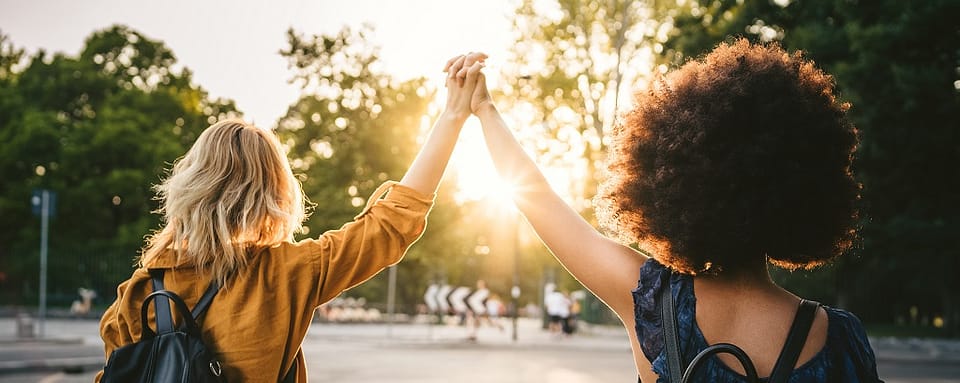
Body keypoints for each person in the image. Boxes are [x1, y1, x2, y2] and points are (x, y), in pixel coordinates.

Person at [451, 40, 881, 382]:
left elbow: (538, 201)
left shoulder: (654, 300)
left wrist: (485, 110)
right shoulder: (841, 337)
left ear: (670, 185)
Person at [95, 54, 486, 382]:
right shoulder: (286, 274)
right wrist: (452, 116)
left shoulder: (138, 295)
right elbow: (387, 225)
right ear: (273, 195)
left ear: (191, 186)